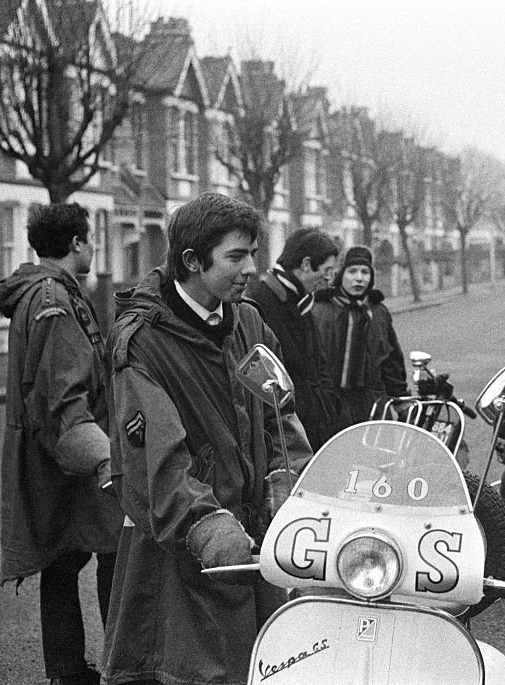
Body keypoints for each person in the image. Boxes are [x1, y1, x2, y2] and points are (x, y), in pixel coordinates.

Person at [100, 193, 312, 685]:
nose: (250, 269)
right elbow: (158, 461)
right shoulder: (141, 343)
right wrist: (208, 526)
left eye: (253, 255)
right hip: (183, 552)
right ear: (192, 261)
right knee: (190, 673)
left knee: (266, 668)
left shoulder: (249, 321)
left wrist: (287, 479)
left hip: (255, 540)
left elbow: (280, 413)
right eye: (236, 257)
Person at [0, 203, 122, 685]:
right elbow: (63, 395)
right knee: (116, 547)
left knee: (66, 557)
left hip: (61, 451)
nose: (92, 247)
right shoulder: (53, 299)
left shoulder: (52, 291)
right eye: (90, 239)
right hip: (72, 453)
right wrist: (106, 459)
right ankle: (121, 665)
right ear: (76, 244)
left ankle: (68, 669)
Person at [247, 228, 341, 449]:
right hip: (289, 438)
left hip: (316, 428)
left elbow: (320, 366)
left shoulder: (300, 300)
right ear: (306, 265)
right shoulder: (260, 304)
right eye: (326, 270)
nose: (328, 280)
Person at [311, 245, 409, 425]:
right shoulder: (320, 310)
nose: (359, 278)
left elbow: (392, 361)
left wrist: (401, 402)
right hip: (331, 407)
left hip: (372, 407)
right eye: (352, 271)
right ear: (341, 275)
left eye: (365, 272)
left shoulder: (378, 313)